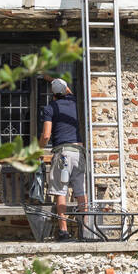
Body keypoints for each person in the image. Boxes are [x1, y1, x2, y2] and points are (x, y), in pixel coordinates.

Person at [41, 77, 86, 241]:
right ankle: (85, 230)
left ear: (53, 94)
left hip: (63, 153)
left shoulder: (50, 108)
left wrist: (39, 148)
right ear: (66, 89)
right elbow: (69, 91)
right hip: (79, 151)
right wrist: (56, 80)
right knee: (81, 191)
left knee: (61, 191)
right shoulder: (76, 103)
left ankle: (63, 231)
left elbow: (46, 135)